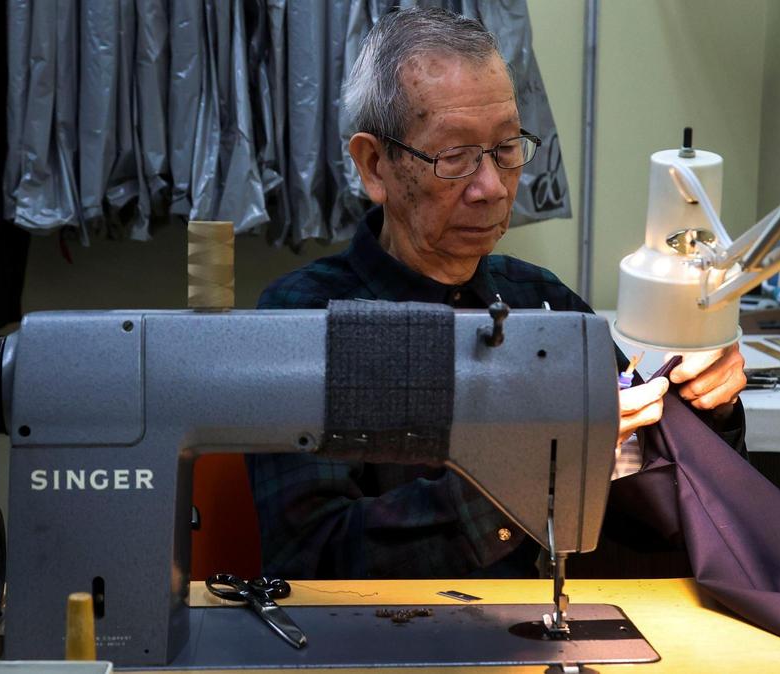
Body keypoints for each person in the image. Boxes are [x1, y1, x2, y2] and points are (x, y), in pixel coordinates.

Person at [250, 7, 747, 579]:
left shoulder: (543, 303)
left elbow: (660, 521)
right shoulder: (304, 322)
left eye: (508, 148)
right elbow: (314, 561)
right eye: (455, 157)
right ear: (374, 164)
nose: (490, 187)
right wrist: (533, 474)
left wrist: (708, 405)